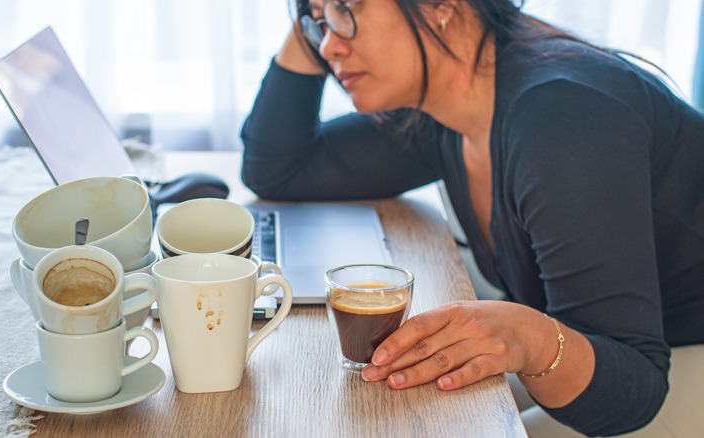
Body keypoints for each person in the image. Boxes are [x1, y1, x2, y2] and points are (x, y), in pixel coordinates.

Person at [240, 0, 704, 436]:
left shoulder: (563, 120)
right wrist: (317, 18)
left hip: (670, 364)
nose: (327, 46)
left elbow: (634, 389)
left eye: (347, 8)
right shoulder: (446, 111)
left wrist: (533, 339)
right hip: (617, 358)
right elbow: (278, 167)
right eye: (318, 24)